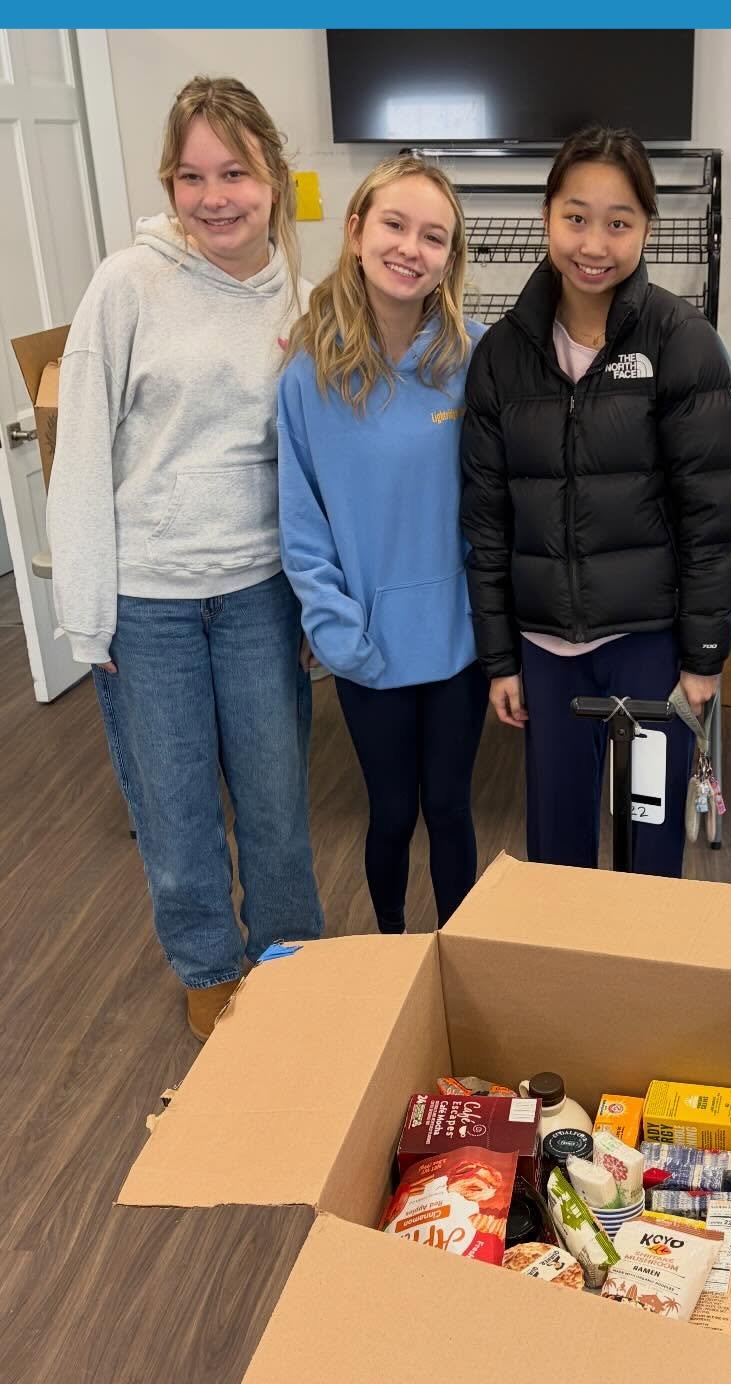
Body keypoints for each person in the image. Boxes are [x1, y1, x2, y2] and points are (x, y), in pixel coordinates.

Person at [47, 76, 324, 1040]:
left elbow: (306, 458)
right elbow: (79, 449)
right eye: (191, 175)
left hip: (258, 593)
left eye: (235, 173)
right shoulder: (128, 284)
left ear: (274, 179)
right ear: (169, 183)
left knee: (278, 803)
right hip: (149, 602)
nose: (215, 197)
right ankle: (210, 972)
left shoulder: (298, 290)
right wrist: (88, 612)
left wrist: (314, 604)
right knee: (175, 815)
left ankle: (292, 964)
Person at [461, 126, 731, 878]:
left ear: (646, 229)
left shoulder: (682, 342)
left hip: (648, 648)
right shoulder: (500, 356)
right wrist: (500, 657)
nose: (595, 243)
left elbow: (714, 521)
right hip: (546, 652)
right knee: (554, 851)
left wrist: (704, 658)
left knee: (645, 846)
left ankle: (643, 990)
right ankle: (569, 991)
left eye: (619, 223)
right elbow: (488, 519)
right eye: (576, 217)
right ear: (547, 215)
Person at [278, 157, 486, 934]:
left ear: (450, 258)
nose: (411, 248)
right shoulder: (308, 374)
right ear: (357, 230)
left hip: (458, 647)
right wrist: (335, 631)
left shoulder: (474, 361)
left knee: (452, 812)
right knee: (392, 814)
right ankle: (394, 949)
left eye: (435, 236)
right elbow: (301, 519)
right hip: (367, 646)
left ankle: (458, 960)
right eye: (395, 225)